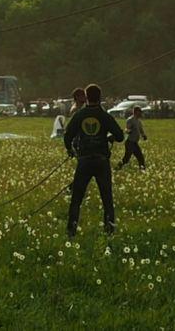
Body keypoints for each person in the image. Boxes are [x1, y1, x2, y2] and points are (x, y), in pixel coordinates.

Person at [63, 84, 126, 237]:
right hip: (101, 161)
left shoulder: (80, 114)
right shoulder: (105, 116)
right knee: (107, 198)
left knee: (77, 198)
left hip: (84, 161)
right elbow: (120, 136)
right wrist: (109, 138)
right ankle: (109, 230)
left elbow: (67, 136)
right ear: (100, 97)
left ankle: (71, 231)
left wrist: (70, 150)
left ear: (86, 96)